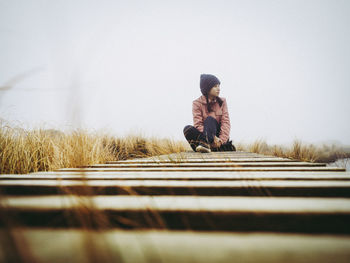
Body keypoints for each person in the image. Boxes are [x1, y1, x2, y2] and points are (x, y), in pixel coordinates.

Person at [183, 73, 236, 153]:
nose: (218, 89)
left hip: (219, 138)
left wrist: (220, 141)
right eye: (215, 86)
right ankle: (207, 145)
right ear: (207, 89)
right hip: (206, 135)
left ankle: (208, 146)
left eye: (219, 86)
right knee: (187, 129)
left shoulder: (222, 102)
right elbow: (198, 125)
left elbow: (226, 123)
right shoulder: (196, 103)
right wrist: (212, 137)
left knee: (210, 120)